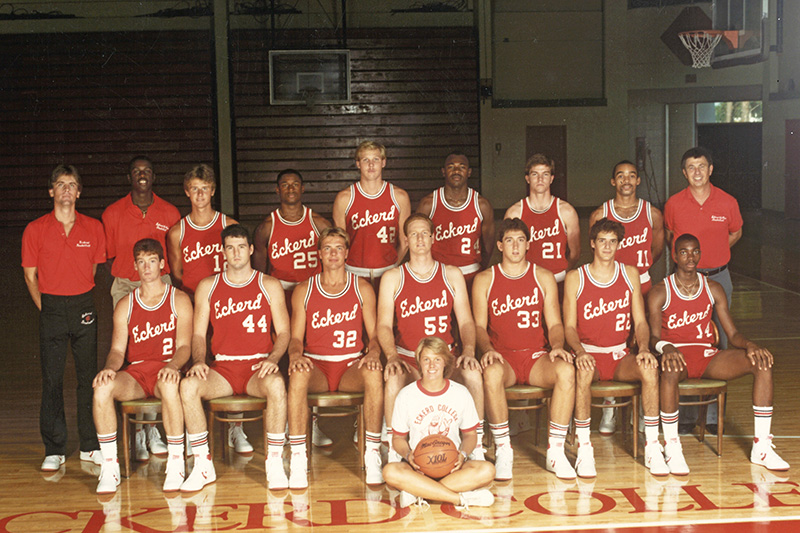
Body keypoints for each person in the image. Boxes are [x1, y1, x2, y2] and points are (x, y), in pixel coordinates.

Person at [648, 233, 789, 474]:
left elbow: (732, 334)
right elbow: (652, 338)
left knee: (762, 363)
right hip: (676, 356)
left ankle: (762, 447)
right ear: (675, 255)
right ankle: (672, 448)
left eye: (694, 251)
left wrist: (750, 345)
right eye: (684, 252)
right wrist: (667, 348)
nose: (690, 257)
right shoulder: (661, 290)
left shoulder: (713, 288)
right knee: (669, 370)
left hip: (707, 357)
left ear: (700, 254)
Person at [179, 224, 291, 491]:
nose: (236, 253)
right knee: (188, 386)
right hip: (224, 368)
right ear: (223, 252)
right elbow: (197, 334)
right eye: (230, 247)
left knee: (276, 384)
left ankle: (274, 465)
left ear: (251, 250)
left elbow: (284, 332)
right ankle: (203, 465)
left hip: (258, 367)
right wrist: (198, 361)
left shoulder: (269, 284)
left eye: (242, 247)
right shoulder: (208, 286)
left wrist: (273, 359)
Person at [473, 218, 576, 480]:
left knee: (565, 370)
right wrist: (486, 349)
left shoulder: (543, 276)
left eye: (520, 240)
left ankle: (555, 451)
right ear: (499, 245)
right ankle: (504, 449)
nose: (515, 246)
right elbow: (478, 327)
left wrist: (556, 346)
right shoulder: (486, 279)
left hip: (535, 357)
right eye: (509, 240)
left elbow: (554, 322)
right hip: (503, 357)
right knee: (492, 373)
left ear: (528, 244)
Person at [563, 218, 667, 477]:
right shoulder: (576, 277)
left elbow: (640, 321)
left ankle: (653, 446)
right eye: (602, 241)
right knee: (584, 373)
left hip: (620, 354)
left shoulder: (629, 273)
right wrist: (580, 352)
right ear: (592, 244)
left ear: (619, 244)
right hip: (591, 355)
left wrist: (643, 348)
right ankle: (585, 448)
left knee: (650, 369)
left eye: (612, 241)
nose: (607, 247)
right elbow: (568, 327)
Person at [378, 214, 484, 461]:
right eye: (413, 234)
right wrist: (392, 356)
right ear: (405, 240)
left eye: (424, 233)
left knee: (473, 374)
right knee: (393, 378)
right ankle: (396, 450)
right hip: (409, 358)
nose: (419, 238)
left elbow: (466, 321)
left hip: (444, 357)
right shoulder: (393, 277)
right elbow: (383, 325)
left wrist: (468, 350)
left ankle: (475, 446)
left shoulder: (451, 274)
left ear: (433, 238)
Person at [286, 227, 385, 488]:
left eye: (338, 248)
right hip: (316, 366)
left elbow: (374, 335)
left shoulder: (361, 287)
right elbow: (295, 338)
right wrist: (295, 355)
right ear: (318, 253)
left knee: (375, 372)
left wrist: (373, 352)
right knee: (297, 375)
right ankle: (298, 457)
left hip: (351, 365)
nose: (333, 253)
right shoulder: (304, 289)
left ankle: (372, 453)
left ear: (347, 254)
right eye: (327, 248)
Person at [92, 239, 193, 493]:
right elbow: (117, 350)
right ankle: (110, 466)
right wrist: (109, 370)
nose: (146, 267)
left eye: (151, 261)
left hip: (166, 370)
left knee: (170, 387)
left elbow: (184, 347)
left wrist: (173, 366)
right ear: (135, 266)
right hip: (136, 373)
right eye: (141, 262)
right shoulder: (126, 304)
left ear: (161, 264)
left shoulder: (178, 299)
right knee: (102, 389)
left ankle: (176, 462)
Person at [22, 164, 105, 472]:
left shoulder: (94, 228)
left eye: (72, 184)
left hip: (83, 303)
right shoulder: (35, 229)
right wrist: (48, 307)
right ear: (51, 191)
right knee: (53, 380)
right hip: (52, 307)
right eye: (60, 184)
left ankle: (89, 445)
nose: (66, 189)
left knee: (88, 379)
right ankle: (54, 448)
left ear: (79, 192)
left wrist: (75, 294)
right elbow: (30, 275)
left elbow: (94, 270)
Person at [165, 164, 253, 454]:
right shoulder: (178, 230)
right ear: (187, 192)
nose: (200, 194)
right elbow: (177, 273)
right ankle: (195, 431)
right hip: (196, 303)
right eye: (194, 189)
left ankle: (235, 428)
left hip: (228, 301)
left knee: (235, 361)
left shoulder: (227, 222)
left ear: (213, 191)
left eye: (205, 189)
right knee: (196, 362)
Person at [103, 155, 180, 459]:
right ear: (129, 177)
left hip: (161, 284)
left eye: (147, 171)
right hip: (126, 284)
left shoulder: (170, 211)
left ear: (154, 176)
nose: (142, 175)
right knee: (130, 355)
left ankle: (155, 428)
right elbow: (110, 254)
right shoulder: (112, 213)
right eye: (136, 171)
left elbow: (174, 253)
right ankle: (137, 432)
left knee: (163, 354)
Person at [664, 147, 743, 433]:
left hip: (718, 278)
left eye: (702, 166)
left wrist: (717, 254)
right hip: (684, 281)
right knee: (683, 342)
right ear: (684, 173)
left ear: (711, 169)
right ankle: (685, 416)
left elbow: (735, 232)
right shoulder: (673, 203)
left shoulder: (728, 202)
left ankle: (711, 416)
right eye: (690, 167)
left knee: (719, 345)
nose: (696, 172)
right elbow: (672, 236)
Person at [252, 168, 333, 448]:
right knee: (282, 358)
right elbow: (259, 275)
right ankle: (285, 422)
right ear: (277, 191)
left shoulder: (319, 224)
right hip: (280, 296)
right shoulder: (267, 226)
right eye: (284, 184)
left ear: (302, 189)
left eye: (295, 184)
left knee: (309, 359)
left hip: (312, 296)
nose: (290, 188)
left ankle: (311, 423)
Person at [589, 160, 665, 435]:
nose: (626, 180)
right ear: (613, 182)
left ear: (638, 181)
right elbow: (597, 252)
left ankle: (643, 412)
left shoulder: (652, 213)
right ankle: (609, 406)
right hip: (609, 286)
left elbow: (657, 249)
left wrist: (636, 272)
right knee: (612, 342)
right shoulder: (601, 213)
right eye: (620, 175)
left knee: (641, 344)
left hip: (641, 283)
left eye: (632, 175)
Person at [382, 337, 495, 509]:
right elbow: (398, 439)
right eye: (426, 359)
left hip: (452, 467)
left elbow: (471, 435)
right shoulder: (406, 395)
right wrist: (408, 455)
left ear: (445, 363)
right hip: (418, 467)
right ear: (419, 363)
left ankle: (418, 492)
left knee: (488, 470)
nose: (432, 365)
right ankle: (461, 499)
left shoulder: (460, 393)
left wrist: (463, 454)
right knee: (389, 472)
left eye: (437, 359)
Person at [332, 141, 411, 285]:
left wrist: (392, 267)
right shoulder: (344, 198)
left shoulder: (399, 197)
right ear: (358, 164)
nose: (371, 165)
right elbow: (339, 243)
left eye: (376, 159)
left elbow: (405, 242)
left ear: (383, 162)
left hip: (389, 272)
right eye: (365, 160)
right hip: (354, 272)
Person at [416, 151, 495, 289]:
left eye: (462, 167)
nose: (456, 171)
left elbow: (488, 246)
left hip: (472, 273)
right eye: (451, 167)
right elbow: (416, 242)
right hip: (438, 273)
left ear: (469, 172)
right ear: (443, 172)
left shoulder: (482, 205)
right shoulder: (428, 204)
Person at [504, 153, 580, 284]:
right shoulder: (515, 212)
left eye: (545, 174)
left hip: (559, 278)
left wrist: (562, 273)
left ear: (551, 178)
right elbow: (507, 252)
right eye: (535, 174)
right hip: (527, 280)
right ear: (527, 178)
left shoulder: (566, 211)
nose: (540, 179)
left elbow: (575, 252)